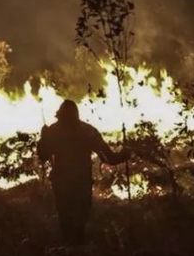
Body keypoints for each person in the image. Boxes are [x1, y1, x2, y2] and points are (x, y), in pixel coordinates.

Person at [37, 99, 130, 246]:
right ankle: (77, 253)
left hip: (63, 184)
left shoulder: (55, 131)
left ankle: (70, 254)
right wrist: (124, 154)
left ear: (60, 116)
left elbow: (43, 155)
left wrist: (44, 138)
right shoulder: (87, 131)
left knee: (66, 220)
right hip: (81, 183)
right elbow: (109, 157)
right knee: (79, 220)